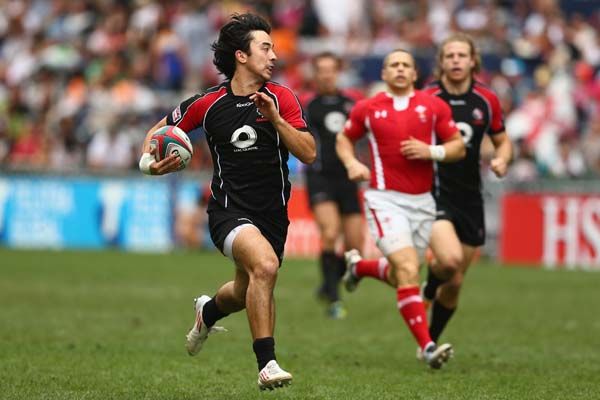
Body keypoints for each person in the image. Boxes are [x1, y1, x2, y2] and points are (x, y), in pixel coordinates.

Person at [138, 13, 315, 390]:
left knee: (243, 289)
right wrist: (150, 165)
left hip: (272, 216)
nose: (273, 55)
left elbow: (310, 153)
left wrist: (277, 120)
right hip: (227, 212)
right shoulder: (208, 104)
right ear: (241, 55)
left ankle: (208, 310)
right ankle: (266, 365)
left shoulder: (281, 98)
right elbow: (157, 133)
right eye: (265, 47)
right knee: (265, 267)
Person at [336, 49, 465, 369]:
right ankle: (427, 347)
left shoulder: (433, 106)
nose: (400, 69)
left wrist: (431, 150)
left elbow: (458, 147)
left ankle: (360, 268)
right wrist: (352, 163)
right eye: (394, 64)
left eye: (406, 65)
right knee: (408, 268)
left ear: (414, 73)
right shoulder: (368, 107)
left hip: (423, 202)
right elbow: (344, 138)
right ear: (383, 72)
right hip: (384, 199)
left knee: (403, 274)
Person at [419, 33, 513, 347]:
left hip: (471, 198)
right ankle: (428, 290)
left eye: (462, 55)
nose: (456, 61)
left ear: (473, 61)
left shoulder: (487, 99)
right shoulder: (428, 97)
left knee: (456, 281)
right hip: (434, 193)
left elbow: (502, 139)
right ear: (441, 63)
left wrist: (502, 159)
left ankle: (430, 342)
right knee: (448, 261)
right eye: (450, 56)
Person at [302, 52, 364, 319]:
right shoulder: (309, 106)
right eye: (321, 70)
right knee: (330, 233)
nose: (326, 74)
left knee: (356, 248)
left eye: (331, 69)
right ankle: (334, 300)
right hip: (320, 176)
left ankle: (328, 285)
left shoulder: (352, 105)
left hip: (348, 178)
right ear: (315, 74)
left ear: (337, 72)